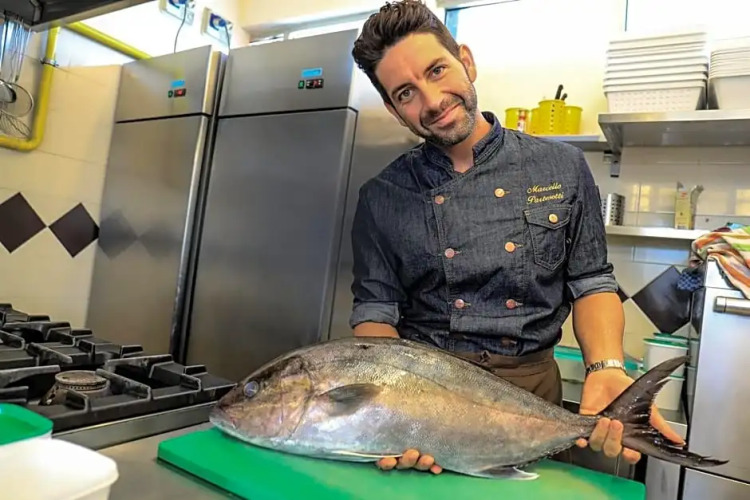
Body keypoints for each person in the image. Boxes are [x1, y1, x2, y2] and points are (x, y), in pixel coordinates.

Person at [348, 0, 683, 475]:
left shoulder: (561, 166)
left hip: (532, 395)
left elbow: (591, 281)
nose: (432, 101)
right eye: (406, 93)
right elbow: (375, 313)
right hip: (427, 399)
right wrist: (395, 405)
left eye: (437, 70)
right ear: (393, 109)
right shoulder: (380, 196)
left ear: (466, 61)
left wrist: (606, 366)